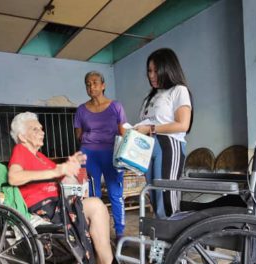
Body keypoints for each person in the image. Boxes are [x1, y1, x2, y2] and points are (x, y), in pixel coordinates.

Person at [8, 112, 114, 264]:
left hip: (58, 203)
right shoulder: (20, 150)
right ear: (22, 136)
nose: (41, 132)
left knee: (97, 211)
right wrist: (57, 171)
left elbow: (62, 177)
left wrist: (71, 165)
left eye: (41, 128)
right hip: (44, 207)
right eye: (35, 129)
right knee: (96, 206)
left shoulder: (40, 157)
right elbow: (13, 177)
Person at [136, 48, 193, 218]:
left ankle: (178, 241)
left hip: (168, 146)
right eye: (149, 71)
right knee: (154, 196)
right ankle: (162, 242)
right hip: (148, 148)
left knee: (166, 200)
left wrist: (150, 129)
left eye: (156, 71)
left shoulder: (178, 90)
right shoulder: (150, 96)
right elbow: (148, 123)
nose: (151, 75)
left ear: (168, 70)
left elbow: (183, 124)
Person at [74, 71, 127, 239]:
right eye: (88, 84)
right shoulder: (81, 110)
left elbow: (124, 133)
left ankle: (120, 233)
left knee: (115, 193)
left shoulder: (116, 106)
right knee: (91, 195)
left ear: (103, 85)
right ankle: (95, 233)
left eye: (95, 82)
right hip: (89, 155)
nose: (91, 86)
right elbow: (78, 135)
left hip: (112, 154)